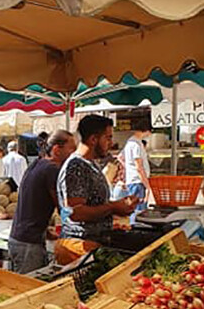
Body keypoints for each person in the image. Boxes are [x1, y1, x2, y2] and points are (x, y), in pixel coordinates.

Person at [56, 115, 136, 262]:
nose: (111, 143)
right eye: (108, 138)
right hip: (79, 248)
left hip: (92, 245)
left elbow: (94, 203)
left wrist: (119, 206)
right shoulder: (76, 166)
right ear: (93, 139)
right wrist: (113, 207)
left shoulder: (90, 164)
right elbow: (76, 212)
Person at [8, 130, 76, 273]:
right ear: (57, 149)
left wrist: (46, 231)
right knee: (29, 290)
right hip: (29, 243)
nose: (74, 154)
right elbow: (63, 207)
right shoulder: (52, 169)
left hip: (19, 238)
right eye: (72, 149)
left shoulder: (37, 163)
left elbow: (34, 203)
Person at [122, 122, 152, 223]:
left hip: (132, 180)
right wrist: (147, 186)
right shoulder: (136, 144)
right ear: (146, 130)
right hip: (138, 181)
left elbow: (120, 157)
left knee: (133, 209)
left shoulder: (129, 142)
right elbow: (139, 167)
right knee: (138, 211)